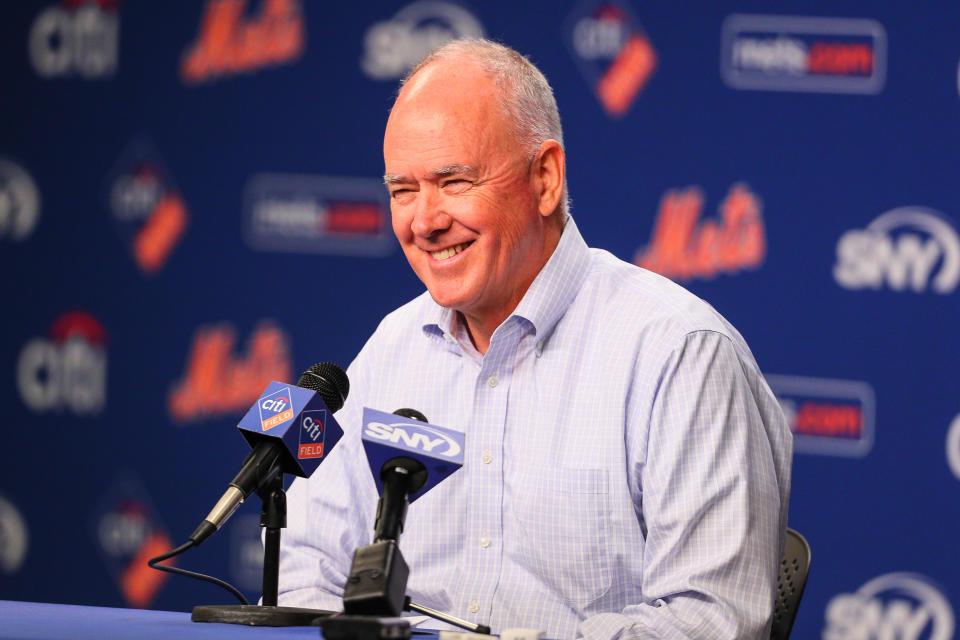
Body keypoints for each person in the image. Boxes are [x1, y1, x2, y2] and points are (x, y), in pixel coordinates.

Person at [278, 39, 792, 640]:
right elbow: (306, 570)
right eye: (402, 191)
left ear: (545, 178)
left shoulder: (680, 353)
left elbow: (710, 622)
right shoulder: (394, 347)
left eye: (454, 180)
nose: (424, 220)